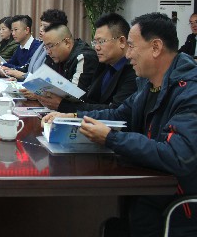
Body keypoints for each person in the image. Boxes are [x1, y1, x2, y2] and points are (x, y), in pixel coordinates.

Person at [43, 13, 197, 237]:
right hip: (147, 185)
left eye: (132, 46)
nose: (128, 54)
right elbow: (118, 114)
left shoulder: (189, 92)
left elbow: (177, 155)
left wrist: (111, 138)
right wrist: (72, 116)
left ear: (155, 47)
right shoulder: (149, 84)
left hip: (175, 201)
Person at [42, 13, 137, 111]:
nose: (96, 47)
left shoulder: (133, 70)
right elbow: (89, 100)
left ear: (121, 41)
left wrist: (64, 106)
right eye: (95, 42)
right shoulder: (104, 65)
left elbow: (115, 111)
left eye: (101, 41)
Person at [3, 9, 68, 80]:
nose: (41, 29)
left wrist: (21, 76)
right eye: (41, 25)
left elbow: (46, 79)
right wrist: (17, 78)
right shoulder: (41, 46)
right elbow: (27, 67)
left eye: (45, 26)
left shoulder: (54, 51)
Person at [39, 24, 98, 95]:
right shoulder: (54, 57)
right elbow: (42, 81)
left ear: (67, 43)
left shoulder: (84, 57)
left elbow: (74, 94)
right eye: (46, 47)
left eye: (50, 46)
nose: (48, 52)